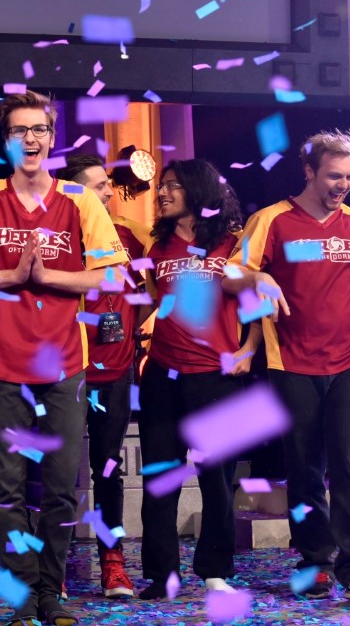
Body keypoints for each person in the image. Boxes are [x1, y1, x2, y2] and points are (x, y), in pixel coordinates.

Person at [0, 91, 128, 626]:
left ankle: (51, 592)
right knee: (8, 488)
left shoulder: (79, 200)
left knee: (63, 486)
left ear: (51, 137)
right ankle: (23, 596)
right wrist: (11, 276)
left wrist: (48, 277)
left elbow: (114, 275)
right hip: (2, 362)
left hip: (65, 362)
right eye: (20, 130)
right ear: (6, 140)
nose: (30, 139)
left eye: (39, 129)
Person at [223, 130, 350, 605]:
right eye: (335, 176)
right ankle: (314, 561)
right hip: (292, 360)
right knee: (305, 468)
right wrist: (259, 276)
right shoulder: (271, 219)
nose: (343, 185)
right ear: (309, 171)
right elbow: (230, 273)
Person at [136, 159, 259, 600]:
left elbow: (256, 299)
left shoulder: (232, 242)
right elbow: (153, 303)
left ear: (198, 190)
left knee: (217, 481)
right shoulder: (156, 247)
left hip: (216, 378)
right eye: (161, 186)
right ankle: (161, 575)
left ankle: (214, 571)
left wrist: (249, 349)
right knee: (160, 478)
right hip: (163, 377)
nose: (162, 193)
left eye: (172, 185)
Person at [55, 154, 148, 599]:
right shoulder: (57, 236)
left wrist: (131, 334)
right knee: (57, 472)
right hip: (63, 371)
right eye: (99, 186)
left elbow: (149, 292)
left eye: (108, 184)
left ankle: (113, 562)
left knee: (108, 469)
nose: (110, 191)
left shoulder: (130, 234)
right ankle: (52, 567)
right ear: (74, 193)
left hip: (115, 370)